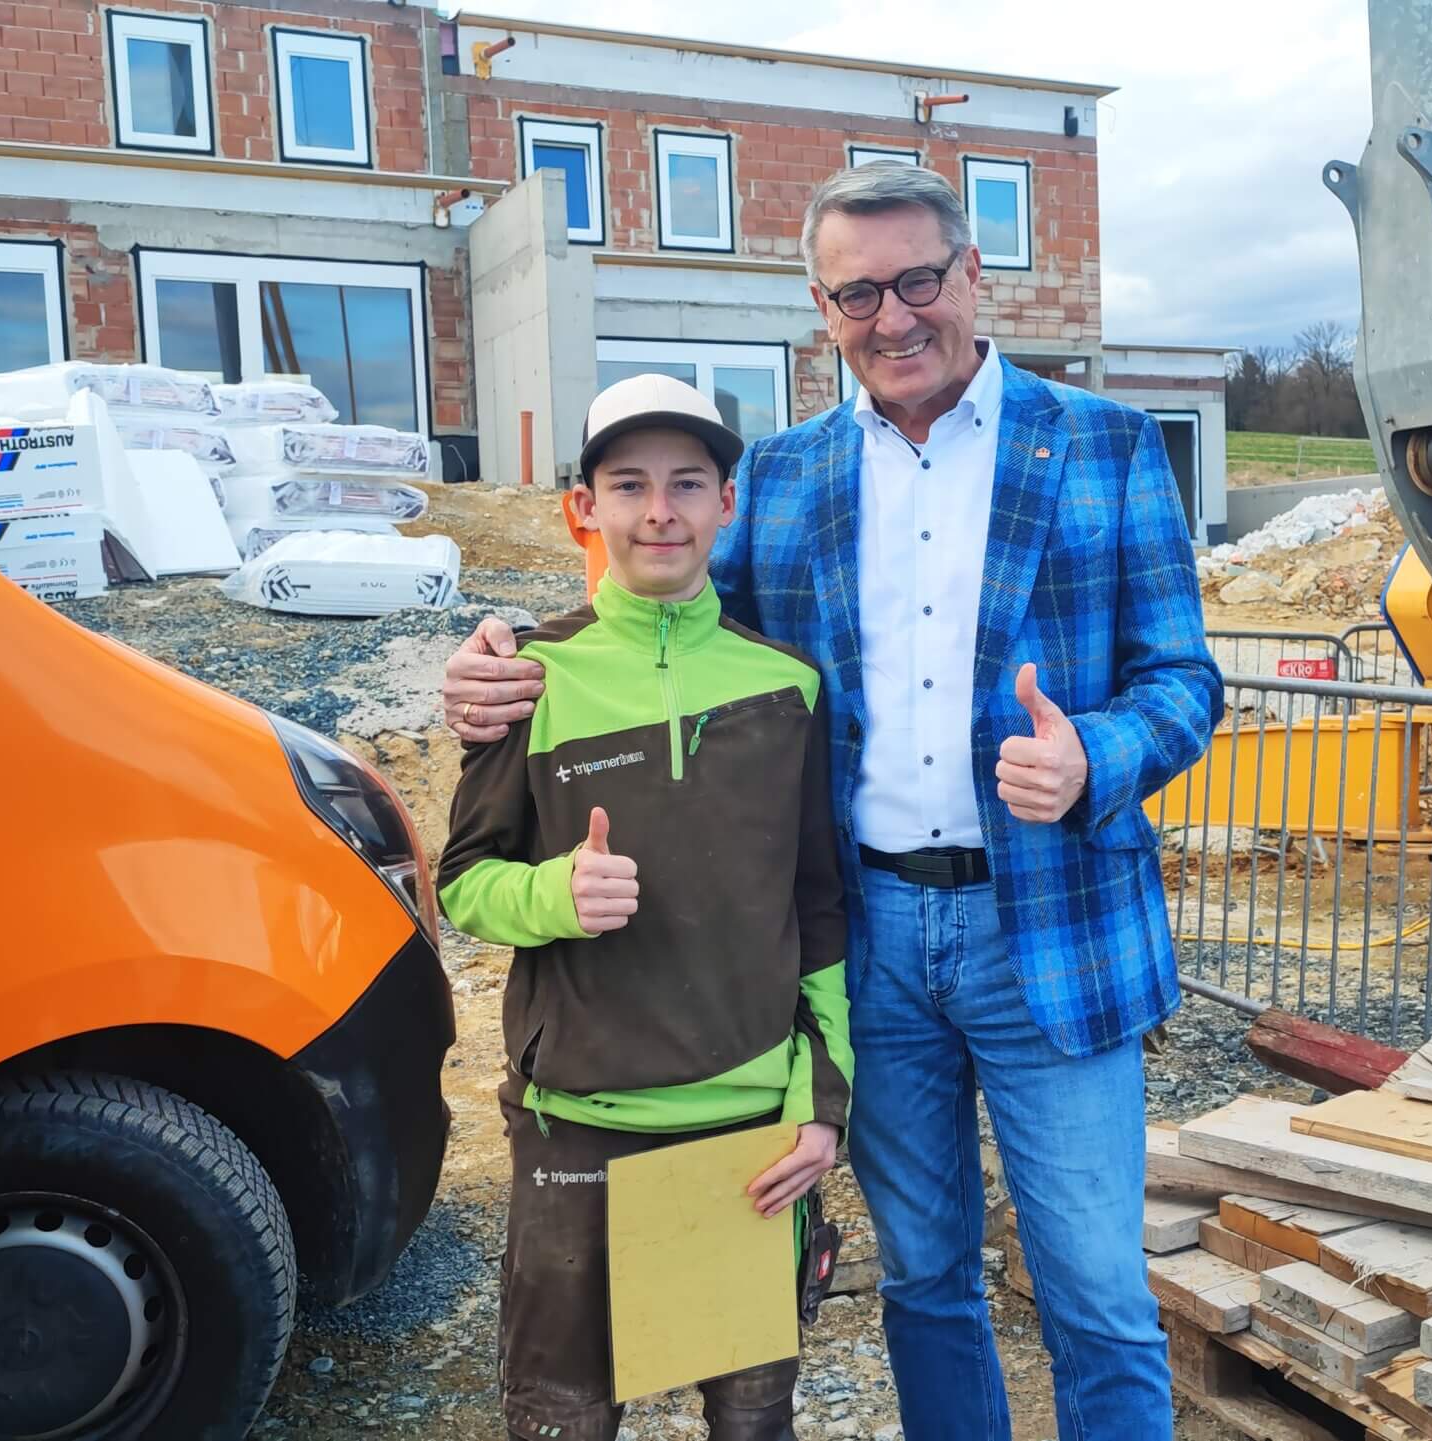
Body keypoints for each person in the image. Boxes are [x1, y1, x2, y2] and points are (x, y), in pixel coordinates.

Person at [443, 164, 1221, 1440]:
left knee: (1095, 1292)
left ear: (972, 275)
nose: (893, 316)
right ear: (823, 309)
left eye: (918, 280)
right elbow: (674, 611)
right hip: (872, 939)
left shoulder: (1105, 443)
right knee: (924, 1278)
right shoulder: (787, 475)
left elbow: (1184, 680)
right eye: (858, 293)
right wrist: (506, 656)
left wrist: (1097, 755)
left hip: (1056, 922)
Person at [437, 373, 854, 1441]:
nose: (659, 511)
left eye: (687, 483)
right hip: (580, 1123)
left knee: (751, 1420)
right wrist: (555, 893)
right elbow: (465, 880)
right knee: (564, 1419)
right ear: (584, 507)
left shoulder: (789, 687)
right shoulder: (530, 676)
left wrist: (820, 1101)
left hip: (746, 1131)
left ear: (728, 503)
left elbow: (817, 909)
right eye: (628, 485)